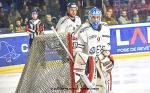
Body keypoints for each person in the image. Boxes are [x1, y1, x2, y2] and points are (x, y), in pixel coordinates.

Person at [74, 7, 114, 93]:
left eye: (97, 17)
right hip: (89, 62)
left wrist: (106, 55)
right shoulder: (83, 29)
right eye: (93, 17)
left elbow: (106, 45)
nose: (95, 20)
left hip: (100, 59)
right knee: (90, 84)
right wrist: (81, 61)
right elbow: (78, 49)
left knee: (104, 83)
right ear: (89, 17)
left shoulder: (105, 27)